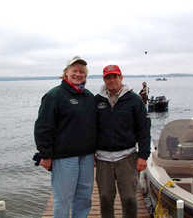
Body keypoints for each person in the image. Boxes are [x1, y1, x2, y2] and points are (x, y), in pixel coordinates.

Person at [34, 56, 97, 218]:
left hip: (87, 156)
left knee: (84, 198)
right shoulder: (54, 96)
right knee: (63, 199)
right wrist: (46, 155)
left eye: (82, 72)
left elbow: (95, 125)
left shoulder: (89, 97)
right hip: (64, 158)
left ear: (86, 75)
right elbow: (42, 128)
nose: (78, 74)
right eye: (74, 70)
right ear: (66, 73)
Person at [94, 65, 151, 218]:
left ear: (121, 77)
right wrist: (90, 152)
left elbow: (144, 129)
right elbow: (91, 129)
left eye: (115, 76)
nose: (112, 80)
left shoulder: (134, 100)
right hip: (103, 159)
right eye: (108, 77)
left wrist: (143, 156)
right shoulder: (96, 100)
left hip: (127, 157)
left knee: (129, 198)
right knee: (105, 198)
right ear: (104, 79)